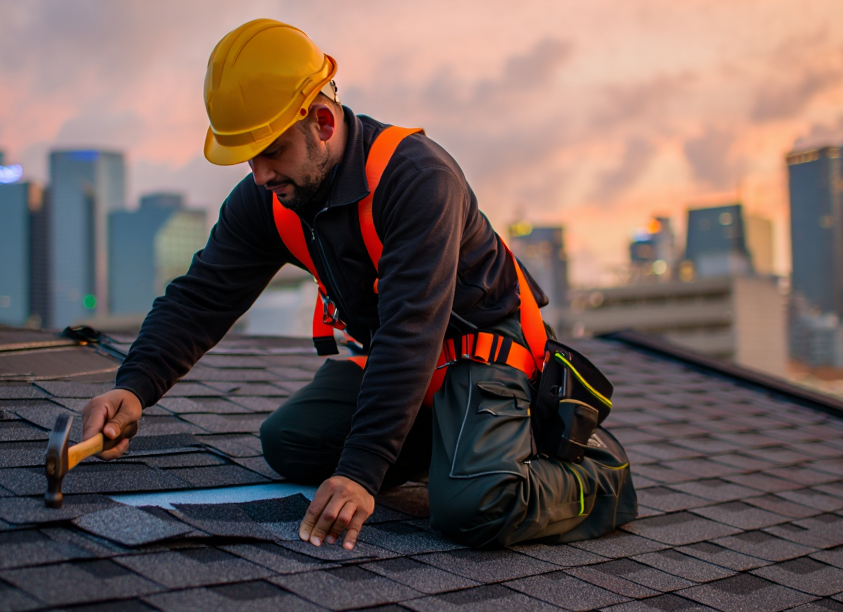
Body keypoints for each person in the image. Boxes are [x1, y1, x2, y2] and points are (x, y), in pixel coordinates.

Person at [82, 18, 635, 551]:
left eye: (272, 151)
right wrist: (135, 386)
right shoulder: (271, 197)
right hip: (413, 370)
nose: (260, 175)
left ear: (322, 122)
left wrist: (361, 473)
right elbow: (201, 296)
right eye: (249, 157)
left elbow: (409, 331)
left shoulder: (417, 179)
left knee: (475, 506)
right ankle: (456, 452)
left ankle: (601, 477)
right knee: (290, 443)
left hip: (486, 357)